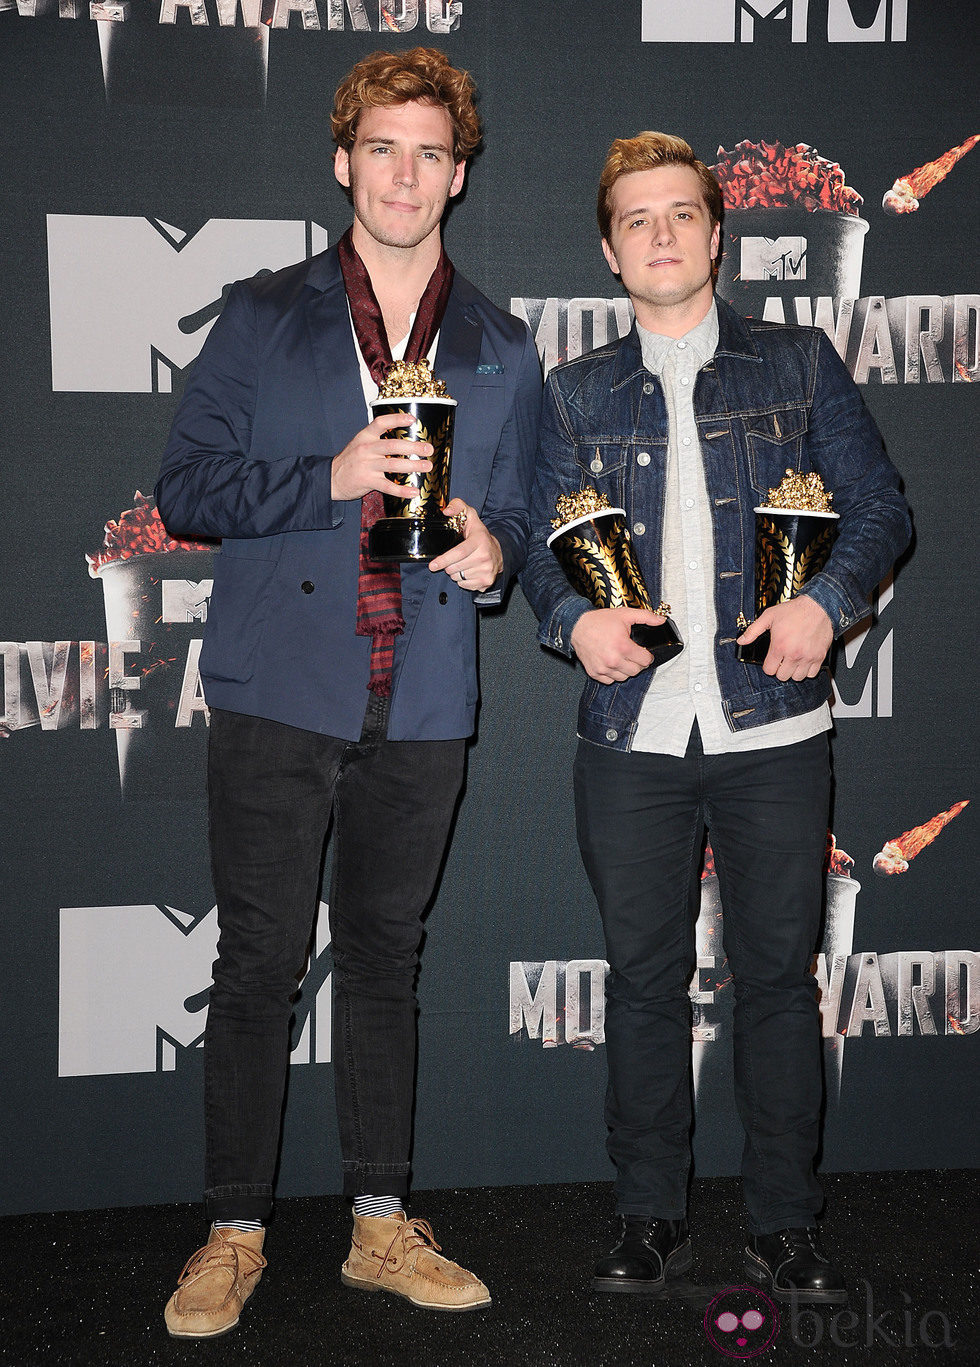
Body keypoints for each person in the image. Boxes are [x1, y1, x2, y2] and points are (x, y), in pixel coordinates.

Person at [155, 47, 540, 1338]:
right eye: (385, 146)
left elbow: (529, 522)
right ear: (342, 160)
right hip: (281, 689)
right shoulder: (263, 313)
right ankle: (233, 1230)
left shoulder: (499, 345)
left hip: (421, 698)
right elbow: (187, 489)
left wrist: (497, 554)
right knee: (259, 962)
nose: (407, 172)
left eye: (433, 151)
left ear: (460, 173)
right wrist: (320, 476)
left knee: (385, 960)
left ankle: (382, 1222)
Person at [520, 132, 910, 1304]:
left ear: (714, 233)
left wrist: (829, 603)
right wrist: (566, 622)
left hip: (774, 731)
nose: (658, 235)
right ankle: (648, 1217)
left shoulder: (795, 362)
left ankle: (783, 1223)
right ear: (607, 248)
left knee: (777, 982)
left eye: (679, 214)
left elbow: (880, 508)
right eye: (635, 219)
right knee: (638, 983)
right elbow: (538, 548)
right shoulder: (572, 389)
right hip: (630, 734)